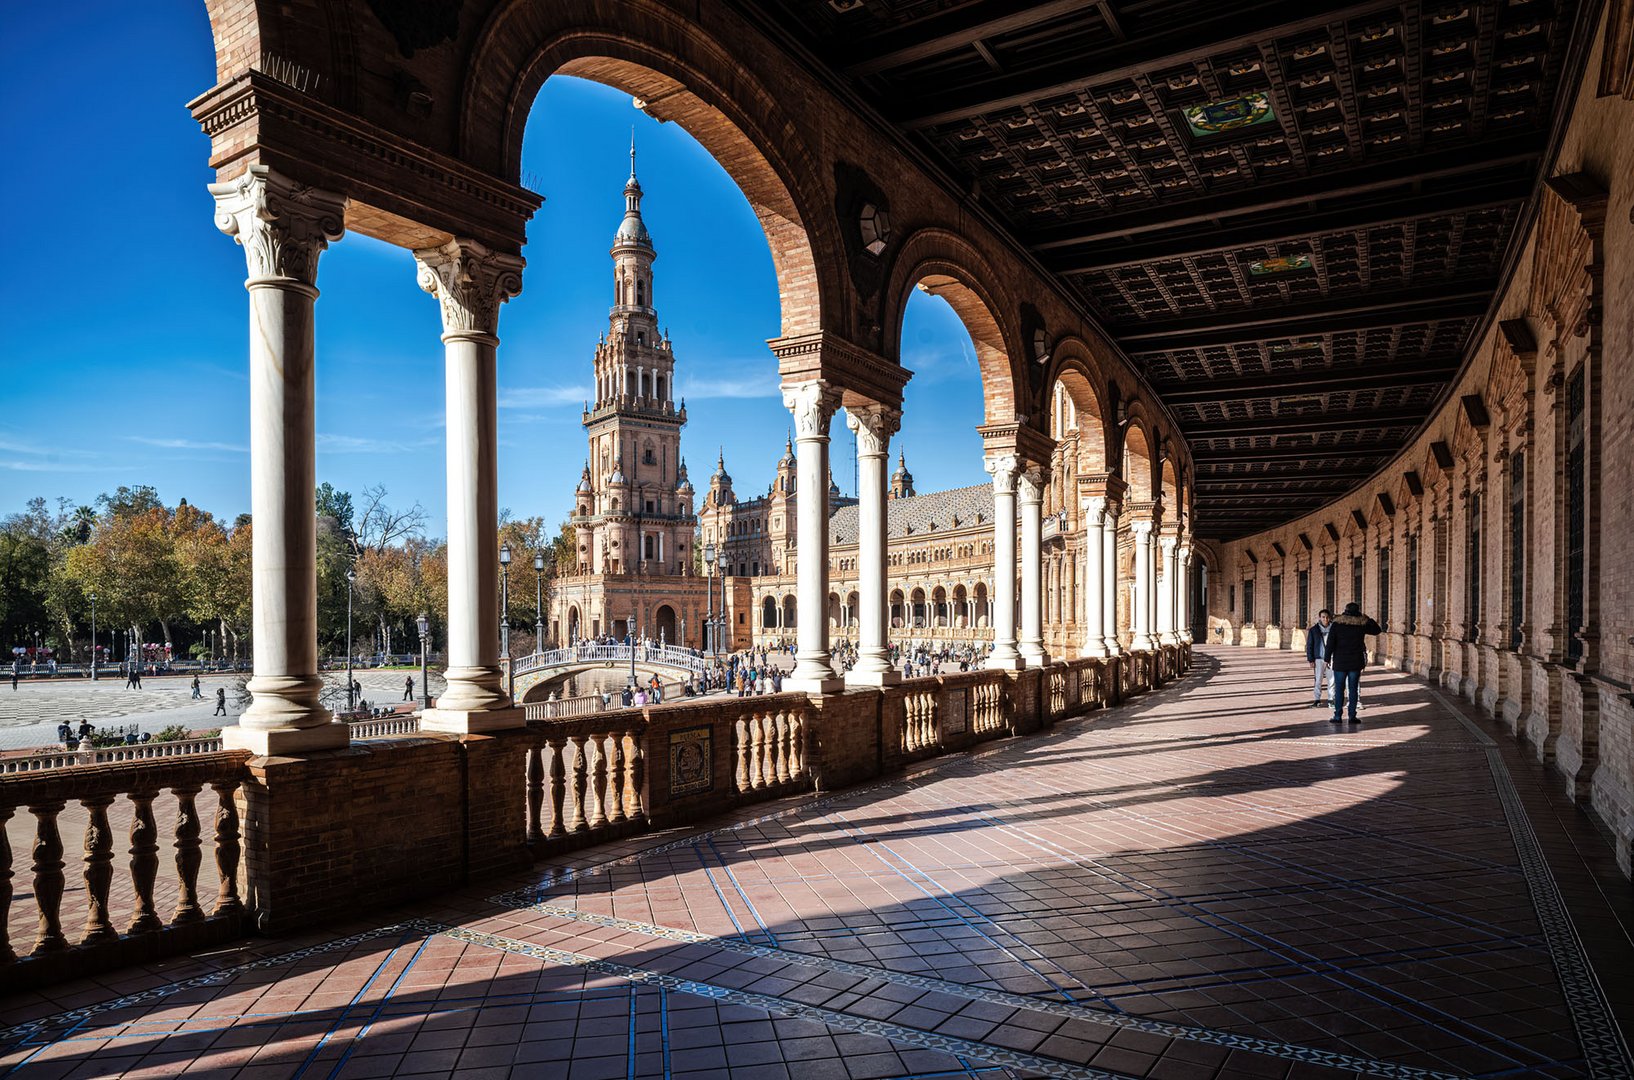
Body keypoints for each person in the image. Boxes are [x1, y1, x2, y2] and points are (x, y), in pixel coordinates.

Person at [1323, 602, 1383, 725]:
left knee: (1339, 689)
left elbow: (1330, 643)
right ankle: (1352, 716)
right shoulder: (1360, 624)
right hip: (1355, 662)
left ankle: (1338, 716)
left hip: (1340, 662)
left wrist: (1327, 659)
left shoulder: (1337, 624)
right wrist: (1366, 618)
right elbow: (1377, 630)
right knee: (1353, 689)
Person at [1304, 609, 1335, 708]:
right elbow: (1309, 645)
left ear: (1329, 617)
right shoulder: (1314, 630)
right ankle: (1317, 699)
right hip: (1319, 658)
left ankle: (1331, 700)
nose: (1325, 619)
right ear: (1319, 618)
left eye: (1327, 617)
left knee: (1332, 680)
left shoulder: (1334, 629)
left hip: (1331, 658)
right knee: (1318, 680)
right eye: (1323, 617)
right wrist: (1310, 659)